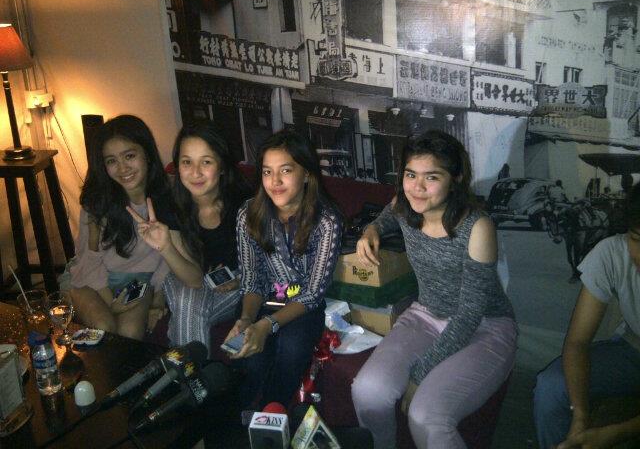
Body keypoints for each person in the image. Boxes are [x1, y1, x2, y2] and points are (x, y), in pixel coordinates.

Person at [351, 131, 517, 449]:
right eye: (410, 175)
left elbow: (469, 315)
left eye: (432, 177)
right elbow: (388, 213)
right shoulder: (406, 205)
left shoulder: (477, 227)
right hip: (427, 313)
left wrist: (419, 375)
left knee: (426, 415)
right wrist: (371, 229)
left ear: (455, 179)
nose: (417, 187)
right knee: (368, 390)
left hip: (485, 326)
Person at [223, 129, 342, 408]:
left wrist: (268, 325)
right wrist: (247, 319)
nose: (274, 181)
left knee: (291, 350)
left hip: (302, 306)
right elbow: (251, 278)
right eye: (267, 172)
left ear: (307, 174)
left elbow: (312, 293)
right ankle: (236, 420)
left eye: (285, 171)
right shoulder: (248, 213)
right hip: (262, 300)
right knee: (249, 357)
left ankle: (272, 415)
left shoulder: (326, 221)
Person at [533, 182, 640, 449]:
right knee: (551, 386)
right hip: (633, 351)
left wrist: (617, 433)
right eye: (637, 239)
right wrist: (580, 416)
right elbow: (578, 342)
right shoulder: (613, 252)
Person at [128, 122, 250, 355]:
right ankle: (196, 375)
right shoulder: (168, 204)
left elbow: (266, 262)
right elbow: (193, 280)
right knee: (188, 298)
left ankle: (186, 375)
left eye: (206, 162)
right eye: (187, 162)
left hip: (236, 285)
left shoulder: (244, 203)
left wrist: (241, 279)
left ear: (222, 167)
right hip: (184, 277)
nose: (195, 172)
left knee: (187, 308)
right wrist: (165, 246)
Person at [68, 115, 174, 340]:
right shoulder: (97, 203)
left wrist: (158, 297)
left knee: (128, 334)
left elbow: (168, 257)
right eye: (111, 161)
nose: (122, 168)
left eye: (129, 156)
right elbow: (87, 259)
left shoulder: (167, 195)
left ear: (146, 153)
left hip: (137, 282)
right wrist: (109, 302)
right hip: (92, 280)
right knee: (103, 326)